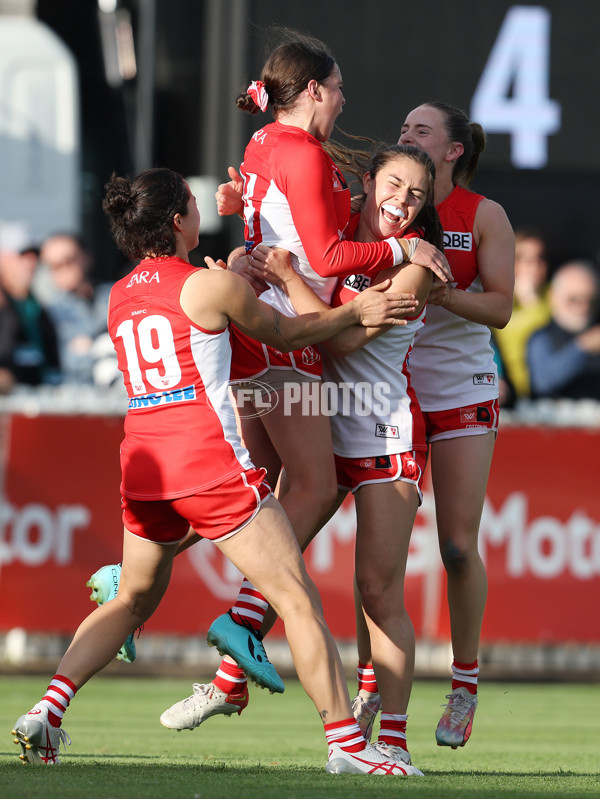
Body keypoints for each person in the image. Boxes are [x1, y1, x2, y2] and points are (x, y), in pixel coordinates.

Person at [11, 166, 422, 776]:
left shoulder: (119, 295)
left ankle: (47, 710)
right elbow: (286, 333)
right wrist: (359, 309)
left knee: (131, 598)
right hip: (206, 464)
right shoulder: (208, 287)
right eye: (194, 205)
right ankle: (348, 748)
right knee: (299, 600)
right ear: (179, 221)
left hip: (143, 466)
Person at [158, 146, 440, 775]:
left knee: (378, 591)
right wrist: (245, 238)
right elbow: (268, 266)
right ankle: (226, 676)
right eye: (394, 184)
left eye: (417, 195)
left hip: (384, 429)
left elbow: (338, 339)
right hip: (324, 413)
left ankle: (390, 740)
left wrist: (286, 277)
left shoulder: (418, 265)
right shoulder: (337, 237)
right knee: (276, 566)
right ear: (367, 184)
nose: (402, 202)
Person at [386, 101, 514, 749]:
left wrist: (441, 293)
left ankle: (464, 684)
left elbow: (502, 308)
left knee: (458, 547)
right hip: (392, 389)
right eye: (405, 128)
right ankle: (370, 682)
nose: (407, 135)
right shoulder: (384, 202)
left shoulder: (483, 214)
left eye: (421, 129)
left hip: (463, 387)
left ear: (454, 149)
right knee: (380, 555)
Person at [40, 233, 116, 385]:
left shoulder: (118, 295)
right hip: (76, 399)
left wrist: (91, 346)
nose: (63, 269)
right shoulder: (47, 314)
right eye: (54, 265)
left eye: (68, 260)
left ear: (86, 257)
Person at [527, 259, 600, 399]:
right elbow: (542, 382)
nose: (584, 308)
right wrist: (582, 347)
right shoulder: (542, 337)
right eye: (574, 299)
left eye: (591, 301)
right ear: (553, 297)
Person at [0, 232, 61, 392]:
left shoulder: (39, 309)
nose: (30, 263)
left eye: (34, 257)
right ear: (3, 258)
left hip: (39, 406)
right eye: (22, 256)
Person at [494, 227, 551, 398]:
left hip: (548, 392)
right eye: (525, 259)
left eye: (539, 258)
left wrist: (531, 301)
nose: (534, 266)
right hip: (509, 392)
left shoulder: (555, 294)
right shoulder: (496, 297)